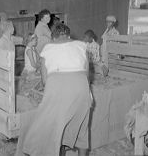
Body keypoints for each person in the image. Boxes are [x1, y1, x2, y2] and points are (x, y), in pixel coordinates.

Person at [16, 23, 92, 156]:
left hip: (58, 87)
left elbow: (45, 81)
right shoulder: (81, 45)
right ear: (68, 35)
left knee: (52, 129)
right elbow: (86, 75)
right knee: (82, 130)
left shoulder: (47, 48)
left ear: (54, 38)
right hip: (81, 87)